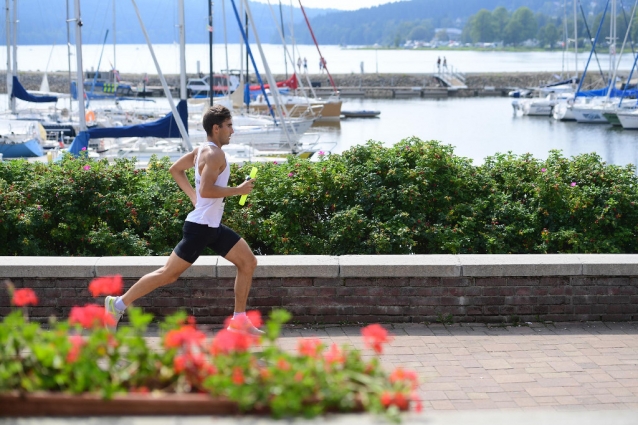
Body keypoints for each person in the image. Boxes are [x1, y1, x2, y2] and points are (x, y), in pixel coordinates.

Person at [104, 104, 263, 335]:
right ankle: (116, 304)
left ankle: (239, 321)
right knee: (168, 274)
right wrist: (237, 191)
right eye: (229, 126)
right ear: (216, 128)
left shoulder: (201, 150)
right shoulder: (214, 153)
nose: (232, 131)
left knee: (248, 262)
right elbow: (207, 190)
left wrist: (194, 198)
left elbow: (175, 169)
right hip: (200, 228)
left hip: (211, 226)